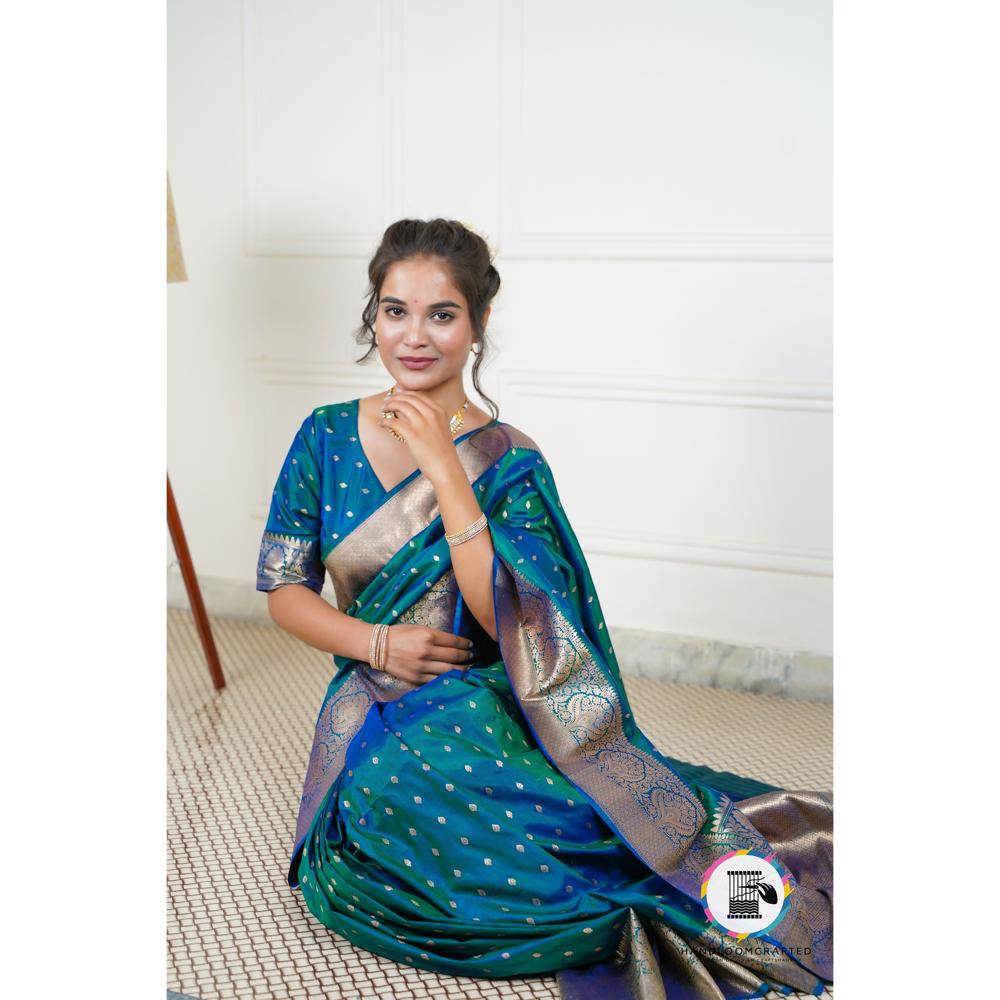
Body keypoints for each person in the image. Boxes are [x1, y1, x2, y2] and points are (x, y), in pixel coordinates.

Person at [256, 218, 833, 997]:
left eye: (441, 314)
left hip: (501, 697)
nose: (414, 336)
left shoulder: (508, 461)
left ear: (478, 322)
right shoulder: (324, 436)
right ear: (374, 316)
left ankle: (742, 893)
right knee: (399, 792)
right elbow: (285, 593)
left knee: (585, 818)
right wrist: (378, 645)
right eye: (395, 311)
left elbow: (511, 624)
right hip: (374, 700)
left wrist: (445, 471)